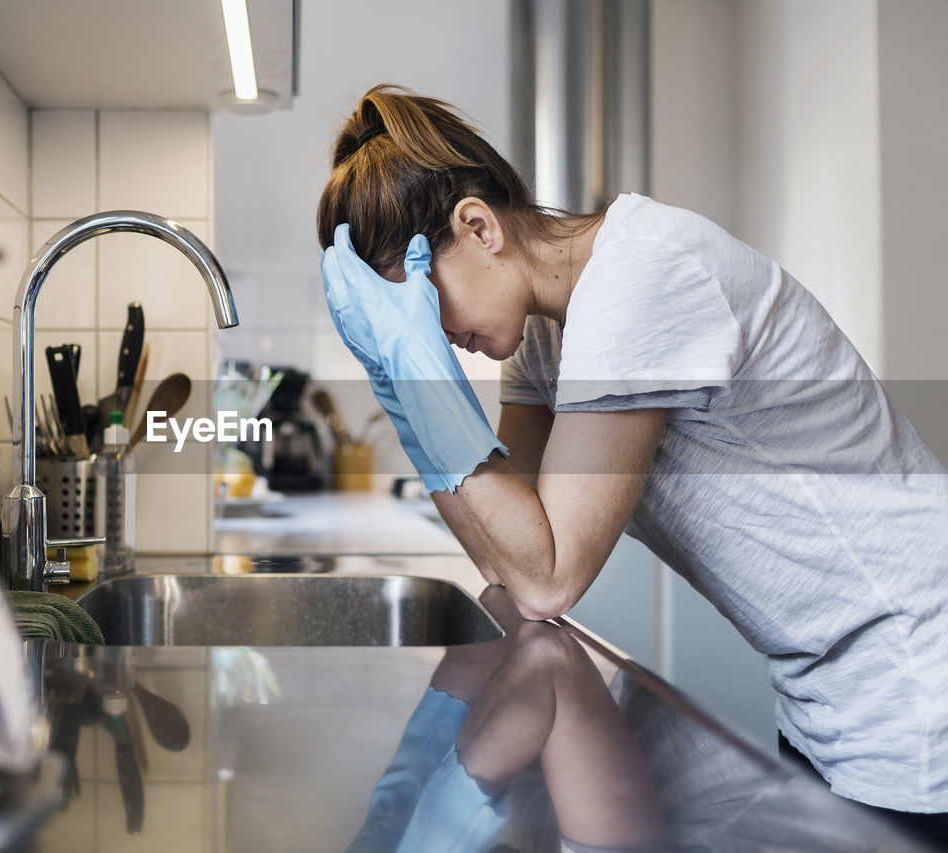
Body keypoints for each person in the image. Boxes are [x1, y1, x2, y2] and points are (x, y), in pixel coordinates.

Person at [317, 84, 948, 841]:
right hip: (827, 690)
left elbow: (550, 573)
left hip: (916, 671)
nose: (435, 332)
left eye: (423, 307)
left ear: (478, 226)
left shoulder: (638, 277)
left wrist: (422, 382)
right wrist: (402, 392)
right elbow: (505, 558)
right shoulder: (548, 336)